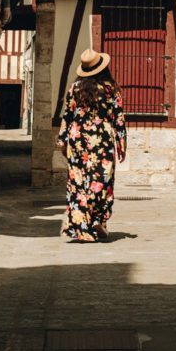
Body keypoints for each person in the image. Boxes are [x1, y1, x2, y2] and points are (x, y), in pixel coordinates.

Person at [58, 48, 127, 242]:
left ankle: (82, 227)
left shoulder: (75, 89)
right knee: (102, 180)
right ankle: (98, 219)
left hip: (78, 139)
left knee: (78, 182)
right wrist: (122, 144)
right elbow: (118, 118)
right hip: (102, 140)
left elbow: (67, 115)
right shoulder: (111, 90)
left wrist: (63, 141)